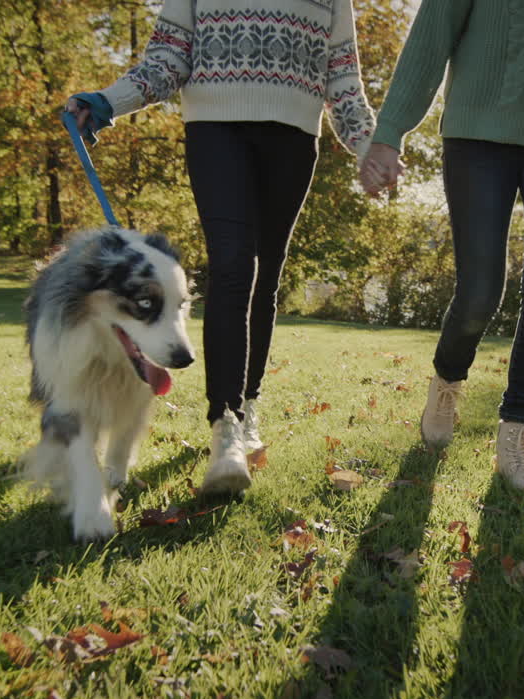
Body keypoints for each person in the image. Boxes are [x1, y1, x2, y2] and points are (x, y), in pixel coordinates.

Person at [67, 0, 375, 495]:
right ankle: (225, 425)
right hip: (216, 129)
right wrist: (107, 101)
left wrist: (370, 145)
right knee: (234, 266)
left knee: (266, 276)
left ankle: (248, 405)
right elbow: (168, 59)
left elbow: (342, 78)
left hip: (294, 136)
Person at [360, 0, 524, 490]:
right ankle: (447, 380)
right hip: (477, 131)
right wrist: (389, 133)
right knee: (480, 293)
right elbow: (430, 39)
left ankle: (518, 432)